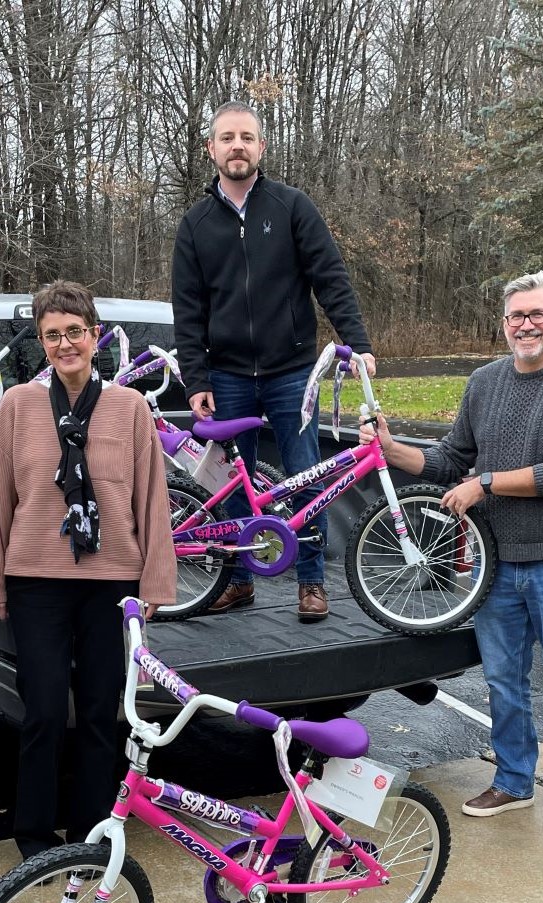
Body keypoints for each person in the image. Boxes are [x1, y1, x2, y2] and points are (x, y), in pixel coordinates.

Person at [364, 272, 543, 837]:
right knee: (504, 681)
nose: (526, 324)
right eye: (516, 316)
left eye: (537, 314)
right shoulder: (484, 382)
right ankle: (516, 781)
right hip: (495, 564)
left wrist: (488, 483)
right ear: (504, 324)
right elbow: (452, 458)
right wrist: (391, 447)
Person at [0, 281, 176, 861]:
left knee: (96, 712)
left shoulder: (129, 407)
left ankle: (90, 832)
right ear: (42, 343)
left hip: (110, 584)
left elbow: (150, 499)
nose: (65, 344)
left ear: (95, 336)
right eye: (52, 335)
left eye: (75, 332)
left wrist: (154, 584)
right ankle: (34, 836)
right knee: (41, 711)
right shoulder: (16, 406)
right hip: (35, 579)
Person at [172, 100, 374, 622]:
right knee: (229, 480)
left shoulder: (292, 207)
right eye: (226, 138)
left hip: (292, 373)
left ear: (262, 146)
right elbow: (188, 312)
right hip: (226, 375)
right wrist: (196, 378)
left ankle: (311, 582)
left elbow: (331, 279)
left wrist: (359, 343)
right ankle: (237, 579)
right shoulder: (194, 225)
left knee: (306, 476)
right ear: (211, 148)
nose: (236, 145)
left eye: (246, 137)